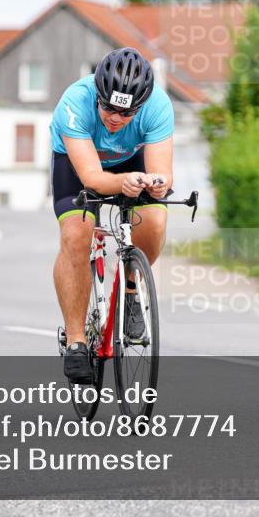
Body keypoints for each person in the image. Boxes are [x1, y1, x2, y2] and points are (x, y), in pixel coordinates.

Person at [49, 47, 174, 384]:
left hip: (130, 162)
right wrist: (123, 183)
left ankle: (131, 290)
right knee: (77, 233)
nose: (116, 118)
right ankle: (76, 340)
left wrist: (158, 185)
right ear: (98, 94)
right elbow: (91, 178)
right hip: (79, 166)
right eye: (108, 107)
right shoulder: (74, 103)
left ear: (143, 104)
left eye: (127, 112)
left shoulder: (159, 106)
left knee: (156, 219)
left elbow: (162, 172)